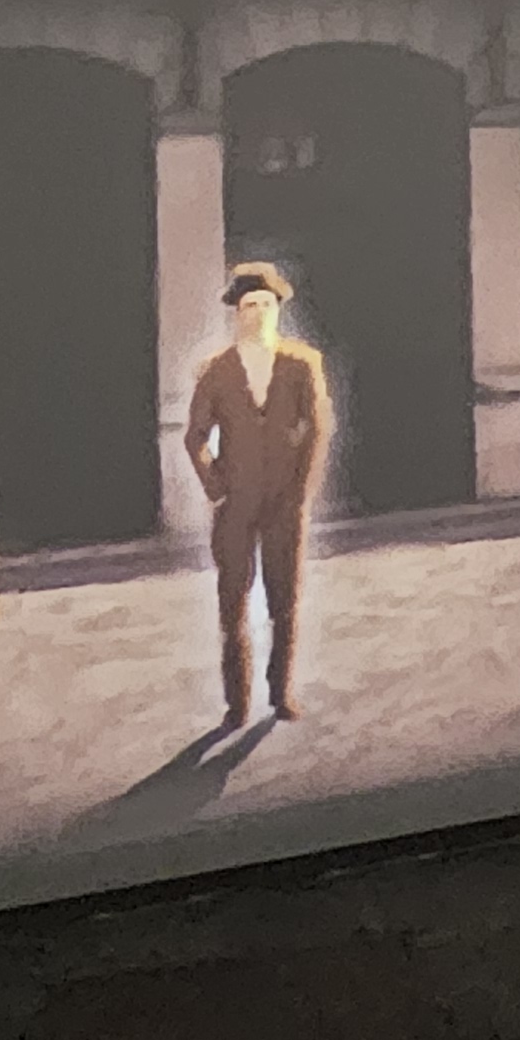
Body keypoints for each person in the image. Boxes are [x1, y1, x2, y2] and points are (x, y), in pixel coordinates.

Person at [181, 262, 327, 727]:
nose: (258, 313)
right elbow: (195, 437)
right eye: (249, 306)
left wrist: (301, 490)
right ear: (237, 313)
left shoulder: (302, 364)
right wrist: (216, 489)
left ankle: (281, 694)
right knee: (233, 603)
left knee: (285, 600)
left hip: (285, 503)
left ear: (277, 311)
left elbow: (317, 429)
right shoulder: (216, 371)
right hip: (235, 505)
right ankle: (237, 704)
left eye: (266, 305)